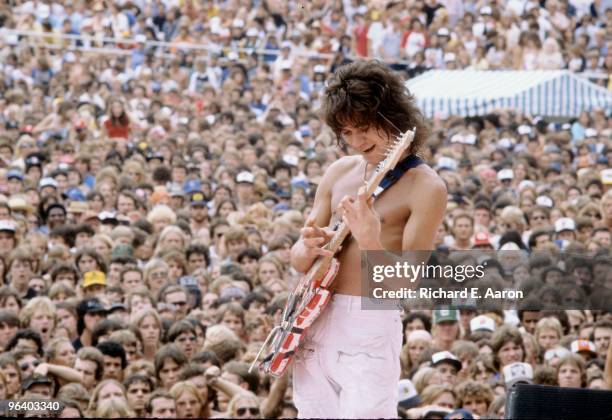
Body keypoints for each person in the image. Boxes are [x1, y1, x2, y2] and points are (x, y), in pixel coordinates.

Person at [290, 61, 447, 418]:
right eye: (346, 132)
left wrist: (371, 241)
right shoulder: (338, 171)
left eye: (364, 129)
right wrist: (307, 246)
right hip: (314, 314)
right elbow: (299, 259)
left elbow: (407, 283)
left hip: (368, 320)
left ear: (392, 116)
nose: (356, 142)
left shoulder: (427, 187)